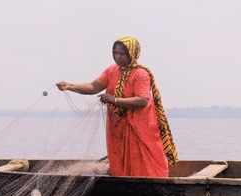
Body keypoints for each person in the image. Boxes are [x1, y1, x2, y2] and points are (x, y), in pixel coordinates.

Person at [57, 36, 178, 177]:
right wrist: (70, 86)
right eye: (115, 53)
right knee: (118, 155)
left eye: (122, 53)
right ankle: (123, 180)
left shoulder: (140, 74)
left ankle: (148, 181)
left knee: (140, 156)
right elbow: (93, 86)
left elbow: (142, 100)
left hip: (139, 126)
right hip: (118, 125)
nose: (118, 57)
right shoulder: (111, 71)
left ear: (132, 53)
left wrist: (114, 99)